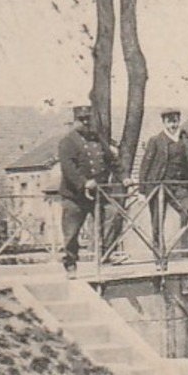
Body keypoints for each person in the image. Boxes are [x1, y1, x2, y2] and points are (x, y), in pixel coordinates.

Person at [58, 106, 121, 273]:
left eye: (88, 119)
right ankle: (70, 263)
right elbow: (68, 167)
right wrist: (83, 182)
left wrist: (125, 177)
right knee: (71, 232)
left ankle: (106, 253)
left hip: (97, 194)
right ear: (75, 120)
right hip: (74, 196)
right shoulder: (68, 141)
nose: (86, 122)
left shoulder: (97, 139)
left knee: (111, 213)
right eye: (82, 119)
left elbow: (112, 161)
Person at [139, 108, 188, 268]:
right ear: (164, 123)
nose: (173, 124)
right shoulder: (155, 140)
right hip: (158, 187)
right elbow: (145, 165)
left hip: (179, 187)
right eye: (170, 121)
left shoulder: (185, 139)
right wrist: (142, 191)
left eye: (176, 121)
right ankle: (160, 259)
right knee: (157, 223)